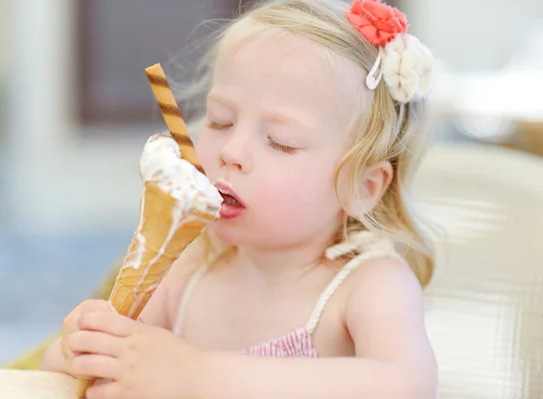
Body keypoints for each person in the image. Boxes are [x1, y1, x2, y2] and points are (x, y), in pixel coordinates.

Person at [40, 0, 439, 397]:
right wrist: (81, 348)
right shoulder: (189, 268)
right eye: (220, 120)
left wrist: (197, 375)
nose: (231, 151)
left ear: (362, 187)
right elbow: (68, 371)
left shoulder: (368, 285)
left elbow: (408, 386)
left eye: (280, 143)